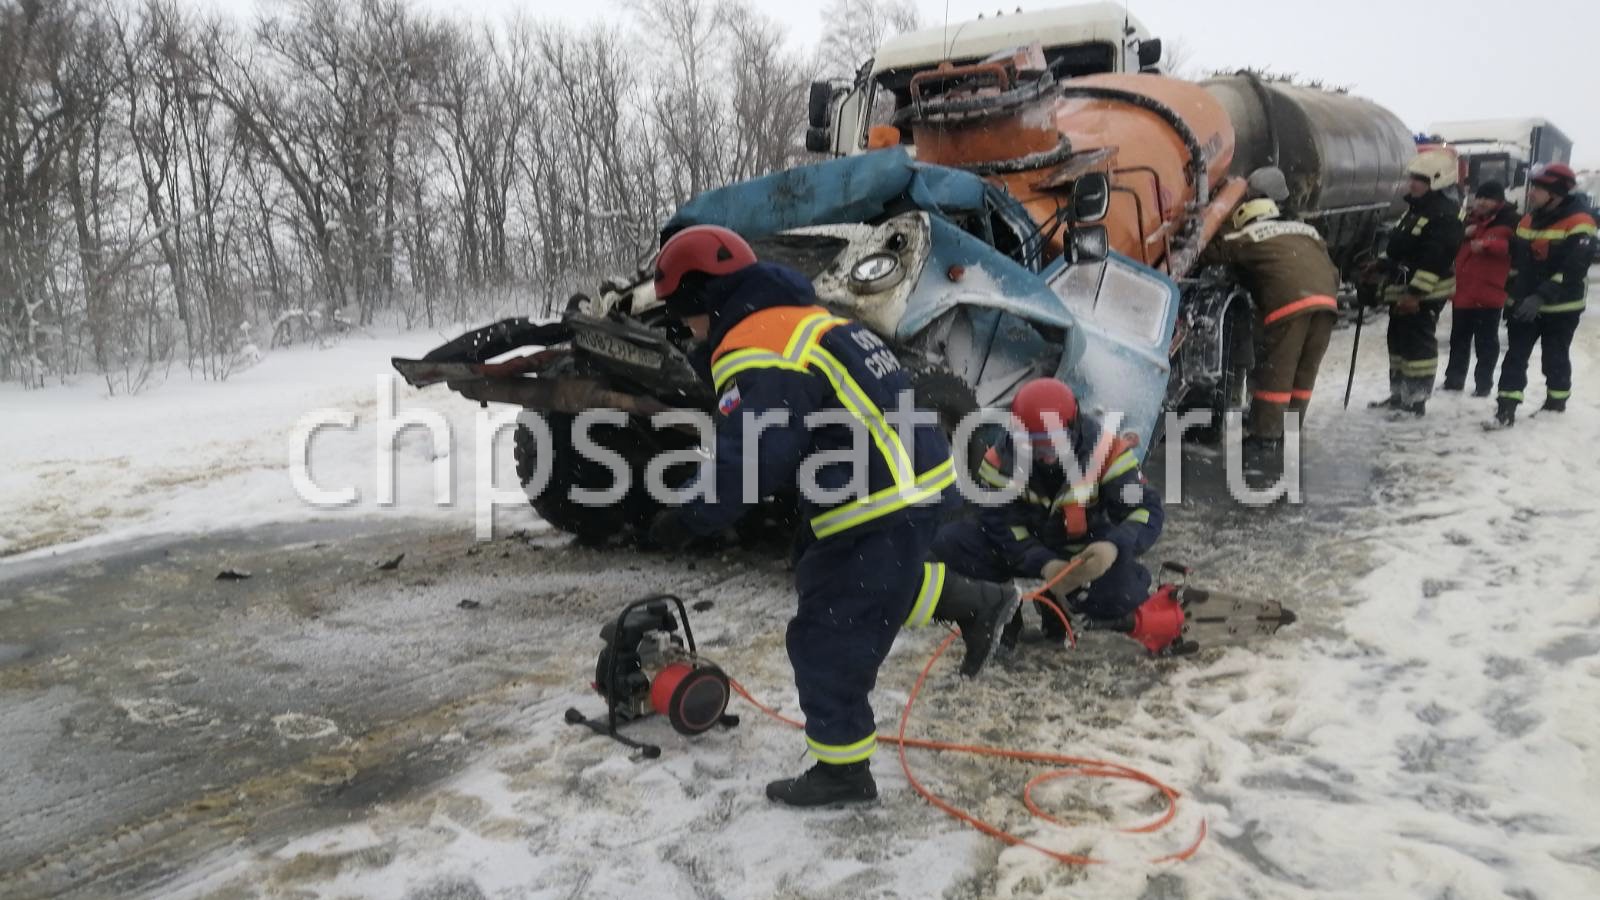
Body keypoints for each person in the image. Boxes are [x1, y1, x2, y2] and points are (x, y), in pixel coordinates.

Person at [646, 224, 1021, 808]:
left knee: (827, 636)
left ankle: (842, 771)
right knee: (861, 583)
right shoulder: (809, 319)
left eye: (681, 312)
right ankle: (983, 602)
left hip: (880, 496)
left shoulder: (752, 341)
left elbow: (755, 448)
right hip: (898, 485)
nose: (683, 328)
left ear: (701, 295)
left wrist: (692, 514)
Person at [929, 378, 1182, 653]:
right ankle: (1000, 623)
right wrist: (1044, 564)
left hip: (1085, 555)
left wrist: (1113, 547)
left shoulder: (1106, 453)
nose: (1048, 457)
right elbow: (998, 524)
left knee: (1121, 597)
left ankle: (1066, 610)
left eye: (1055, 445)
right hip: (1029, 550)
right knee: (952, 544)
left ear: (1073, 428)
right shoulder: (1000, 461)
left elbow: (1144, 510)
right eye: (1037, 446)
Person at [1199, 197, 1340, 446]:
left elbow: (1213, 251)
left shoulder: (1250, 235)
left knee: (1277, 371)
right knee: (1304, 372)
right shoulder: (1308, 232)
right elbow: (1332, 269)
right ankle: (1290, 429)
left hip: (1290, 304)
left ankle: (1264, 434)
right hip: (1326, 303)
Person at [1488, 163, 1596, 428]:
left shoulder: (1581, 223)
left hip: (1561, 307)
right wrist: (1512, 299)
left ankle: (1556, 403)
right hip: (1525, 304)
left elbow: (1572, 269)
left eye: (1537, 188)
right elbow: (1518, 265)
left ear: (1556, 192)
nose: (1531, 193)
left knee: (1555, 355)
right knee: (1515, 355)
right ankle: (1505, 409)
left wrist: (1541, 296)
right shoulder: (1527, 220)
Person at [1369, 150, 1466, 417]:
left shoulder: (1445, 214)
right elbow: (1405, 248)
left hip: (1423, 294)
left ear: (1437, 181)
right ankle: (1400, 394)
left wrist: (1415, 295)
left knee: (1418, 346)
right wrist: (1382, 264)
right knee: (1398, 343)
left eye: (1420, 180)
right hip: (1404, 288)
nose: (1413, 183)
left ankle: (1416, 400)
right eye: (1413, 178)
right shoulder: (1416, 208)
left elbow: (1435, 258)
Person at [1443, 181, 1518, 396]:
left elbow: (1514, 248)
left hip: (1489, 293)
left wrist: (1487, 244)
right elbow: (1451, 245)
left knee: (1486, 343)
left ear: (1499, 201)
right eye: (1480, 197)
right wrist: (1463, 234)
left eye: (1488, 198)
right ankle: (1454, 380)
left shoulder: (1510, 221)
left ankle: (1483, 384)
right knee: (1459, 339)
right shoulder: (1468, 221)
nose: (1482, 202)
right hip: (1464, 291)